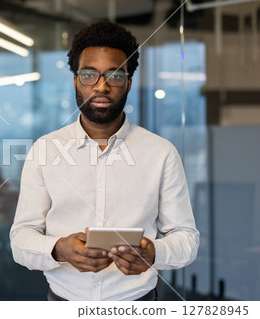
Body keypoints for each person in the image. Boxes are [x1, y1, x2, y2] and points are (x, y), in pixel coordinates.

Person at [10, 21, 199, 301]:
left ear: (129, 82)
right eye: (89, 75)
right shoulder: (45, 150)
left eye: (115, 75)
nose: (101, 86)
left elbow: (186, 238)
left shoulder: (161, 153)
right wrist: (59, 248)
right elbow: (21, 238)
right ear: (75, 80)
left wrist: (153, 254)